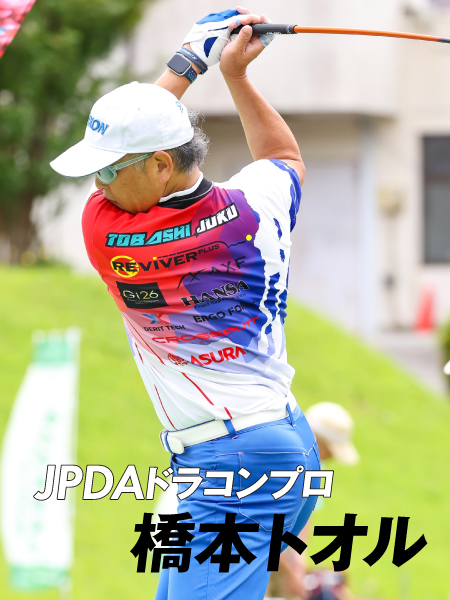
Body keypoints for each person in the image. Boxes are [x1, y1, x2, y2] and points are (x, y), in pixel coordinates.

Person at [50, 7, 321, 600]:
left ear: (160, 165)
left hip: (231, 463)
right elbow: (286, 158)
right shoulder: (257, 206)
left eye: (109, 170)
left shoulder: (110, 236)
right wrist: (238, 79)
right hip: (285, 442)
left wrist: (190, 62)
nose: (99, 185)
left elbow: (146, 133)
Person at [266, 402, 359, 600]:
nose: (332, 457)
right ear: (316, 438)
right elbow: (265, 525)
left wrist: (298, 560)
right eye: (331, 450)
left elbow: (306, 516)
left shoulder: (315, 466)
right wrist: (290, 572)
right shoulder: (283, 463)